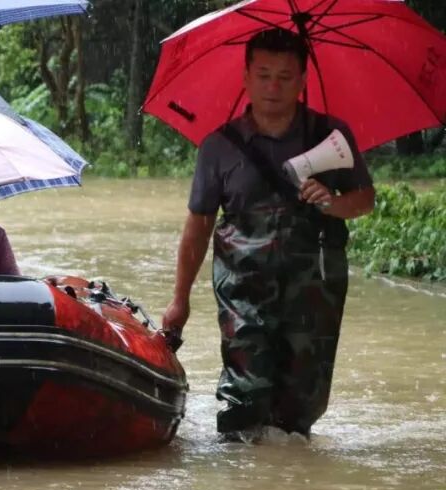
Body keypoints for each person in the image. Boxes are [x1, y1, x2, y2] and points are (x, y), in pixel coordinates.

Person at [160, 28, 375, 441]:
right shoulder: (219, 147)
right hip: (243, 289)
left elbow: (364, 199)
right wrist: (179, 299)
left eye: (284, 77)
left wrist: (331, 202)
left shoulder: (331, 136)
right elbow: (198, 227)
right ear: (246, 78)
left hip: (315, 289)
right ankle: (242, 466)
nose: (273, 87)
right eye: (263, 75)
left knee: (302, 402)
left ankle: (288, 469)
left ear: (302, 80)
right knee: (246, 393)